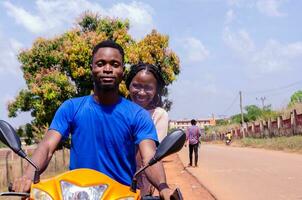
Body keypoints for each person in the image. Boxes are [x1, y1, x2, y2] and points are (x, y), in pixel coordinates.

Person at [12, 40, 172, 199]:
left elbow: (149, 156)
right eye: (101, 63)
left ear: (122, 71)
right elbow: (47, 146)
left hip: (120, 196)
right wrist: (27, 176)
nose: (107, 69)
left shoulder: (138, 115)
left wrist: (163, 187)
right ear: (92, 68)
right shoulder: (71, 108)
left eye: (115, 64)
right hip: (77, 194)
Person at [126, 63, 169, 196]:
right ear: (128, 85)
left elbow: (151, 155)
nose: (142, 92)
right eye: (136, 86)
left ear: (156, 90)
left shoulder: (159, 114)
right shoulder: (118, 110)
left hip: (142, 178)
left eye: (148, 88)